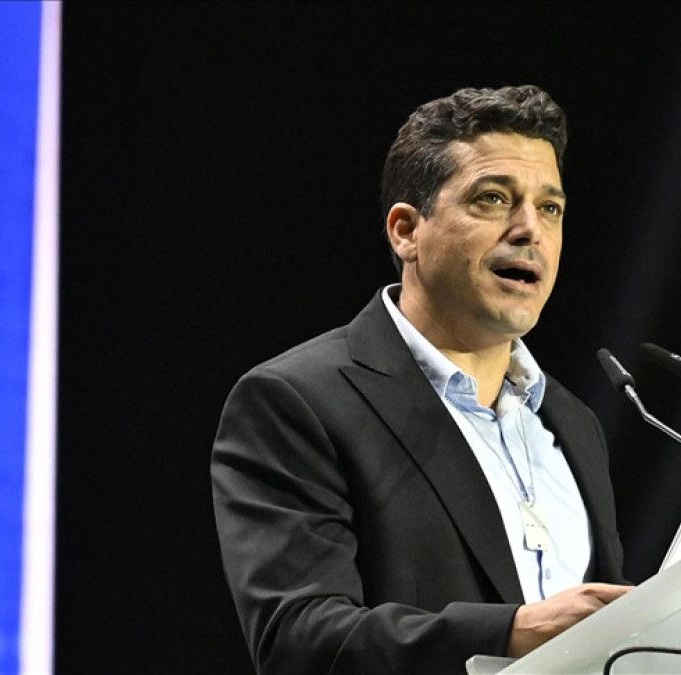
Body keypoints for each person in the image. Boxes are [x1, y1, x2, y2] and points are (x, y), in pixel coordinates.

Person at [211, 85, 633, 674]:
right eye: (493, 198)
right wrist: (509, 633)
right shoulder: (299, 402)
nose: (529, 230)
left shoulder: (573, 424)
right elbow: (299, 641)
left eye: (550, 208)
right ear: (406, 231)